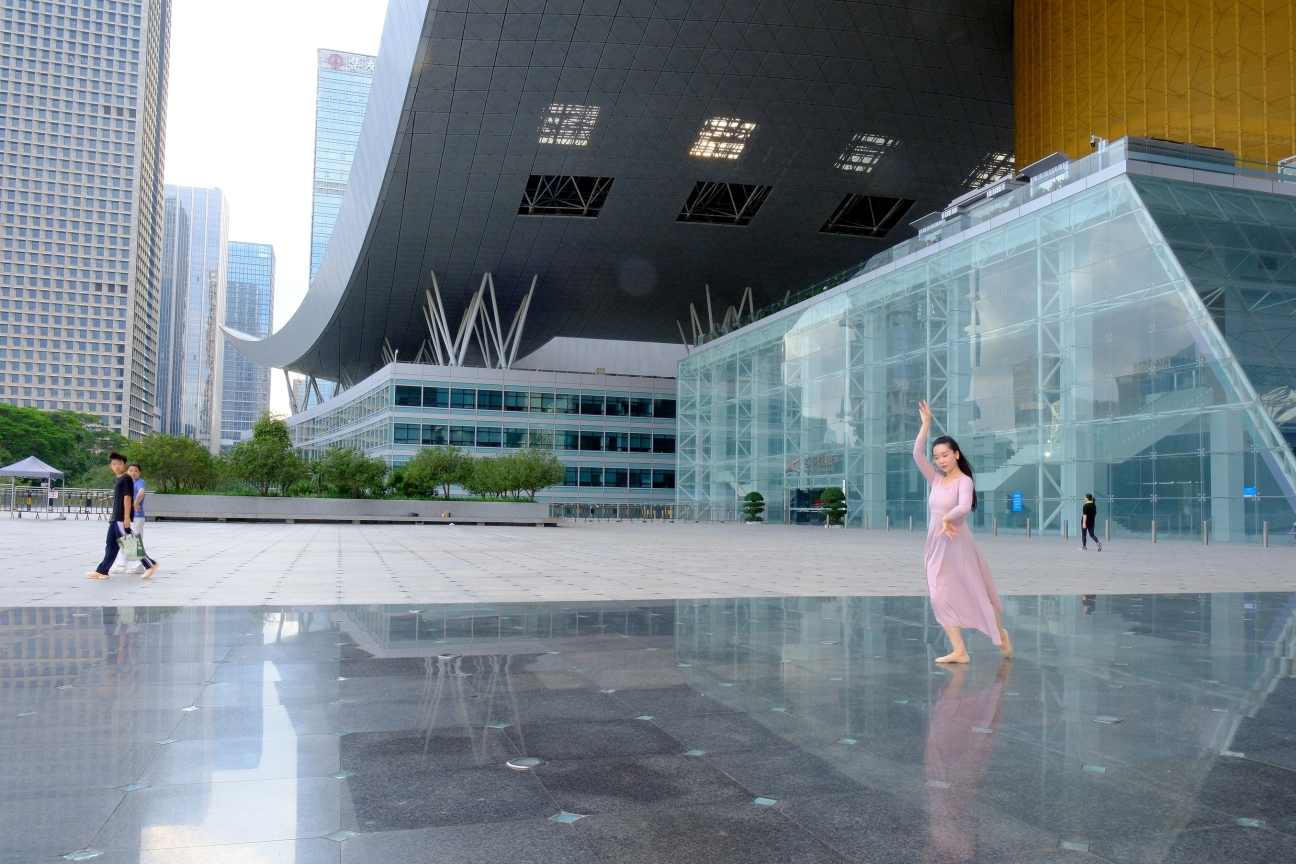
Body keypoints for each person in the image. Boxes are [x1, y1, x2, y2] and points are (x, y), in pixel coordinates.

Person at [914, 401, 1011, 663]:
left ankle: (1000, 634)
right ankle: (960, 651)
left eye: (945, 455)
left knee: (975, 592)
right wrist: (925, 425)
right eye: (937, 457)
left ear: (956, 454)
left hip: (959, 545)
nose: (940, 461)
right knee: (939, 594)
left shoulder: (964, 481)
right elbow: (917, 455)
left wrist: (947, 517)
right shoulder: (936, 478)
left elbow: (964, 506)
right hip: (937, 545)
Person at [86, 452, 158, 580]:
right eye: (114, 464)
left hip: (120, 518)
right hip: (115, 518)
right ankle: (102, 570)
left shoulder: (126, 478)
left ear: (124, 465)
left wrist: (126, 517)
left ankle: (150, 564)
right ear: (110, 466)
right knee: (111, 545)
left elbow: (127, 497)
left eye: (120, 464)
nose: (117, 466)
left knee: (129, 543)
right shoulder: (119, 479)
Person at [112, 463, 147, 574]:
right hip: (127, 517)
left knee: (134, 540)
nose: (133, 473)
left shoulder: (139, 482)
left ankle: (139, 565)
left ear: (139, 473)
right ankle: (122, 563)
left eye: (135, 471)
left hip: (136, 516)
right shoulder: (127, 482)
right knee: (125, 539)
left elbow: (141, 492)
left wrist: (135, 503)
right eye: (130, 470)